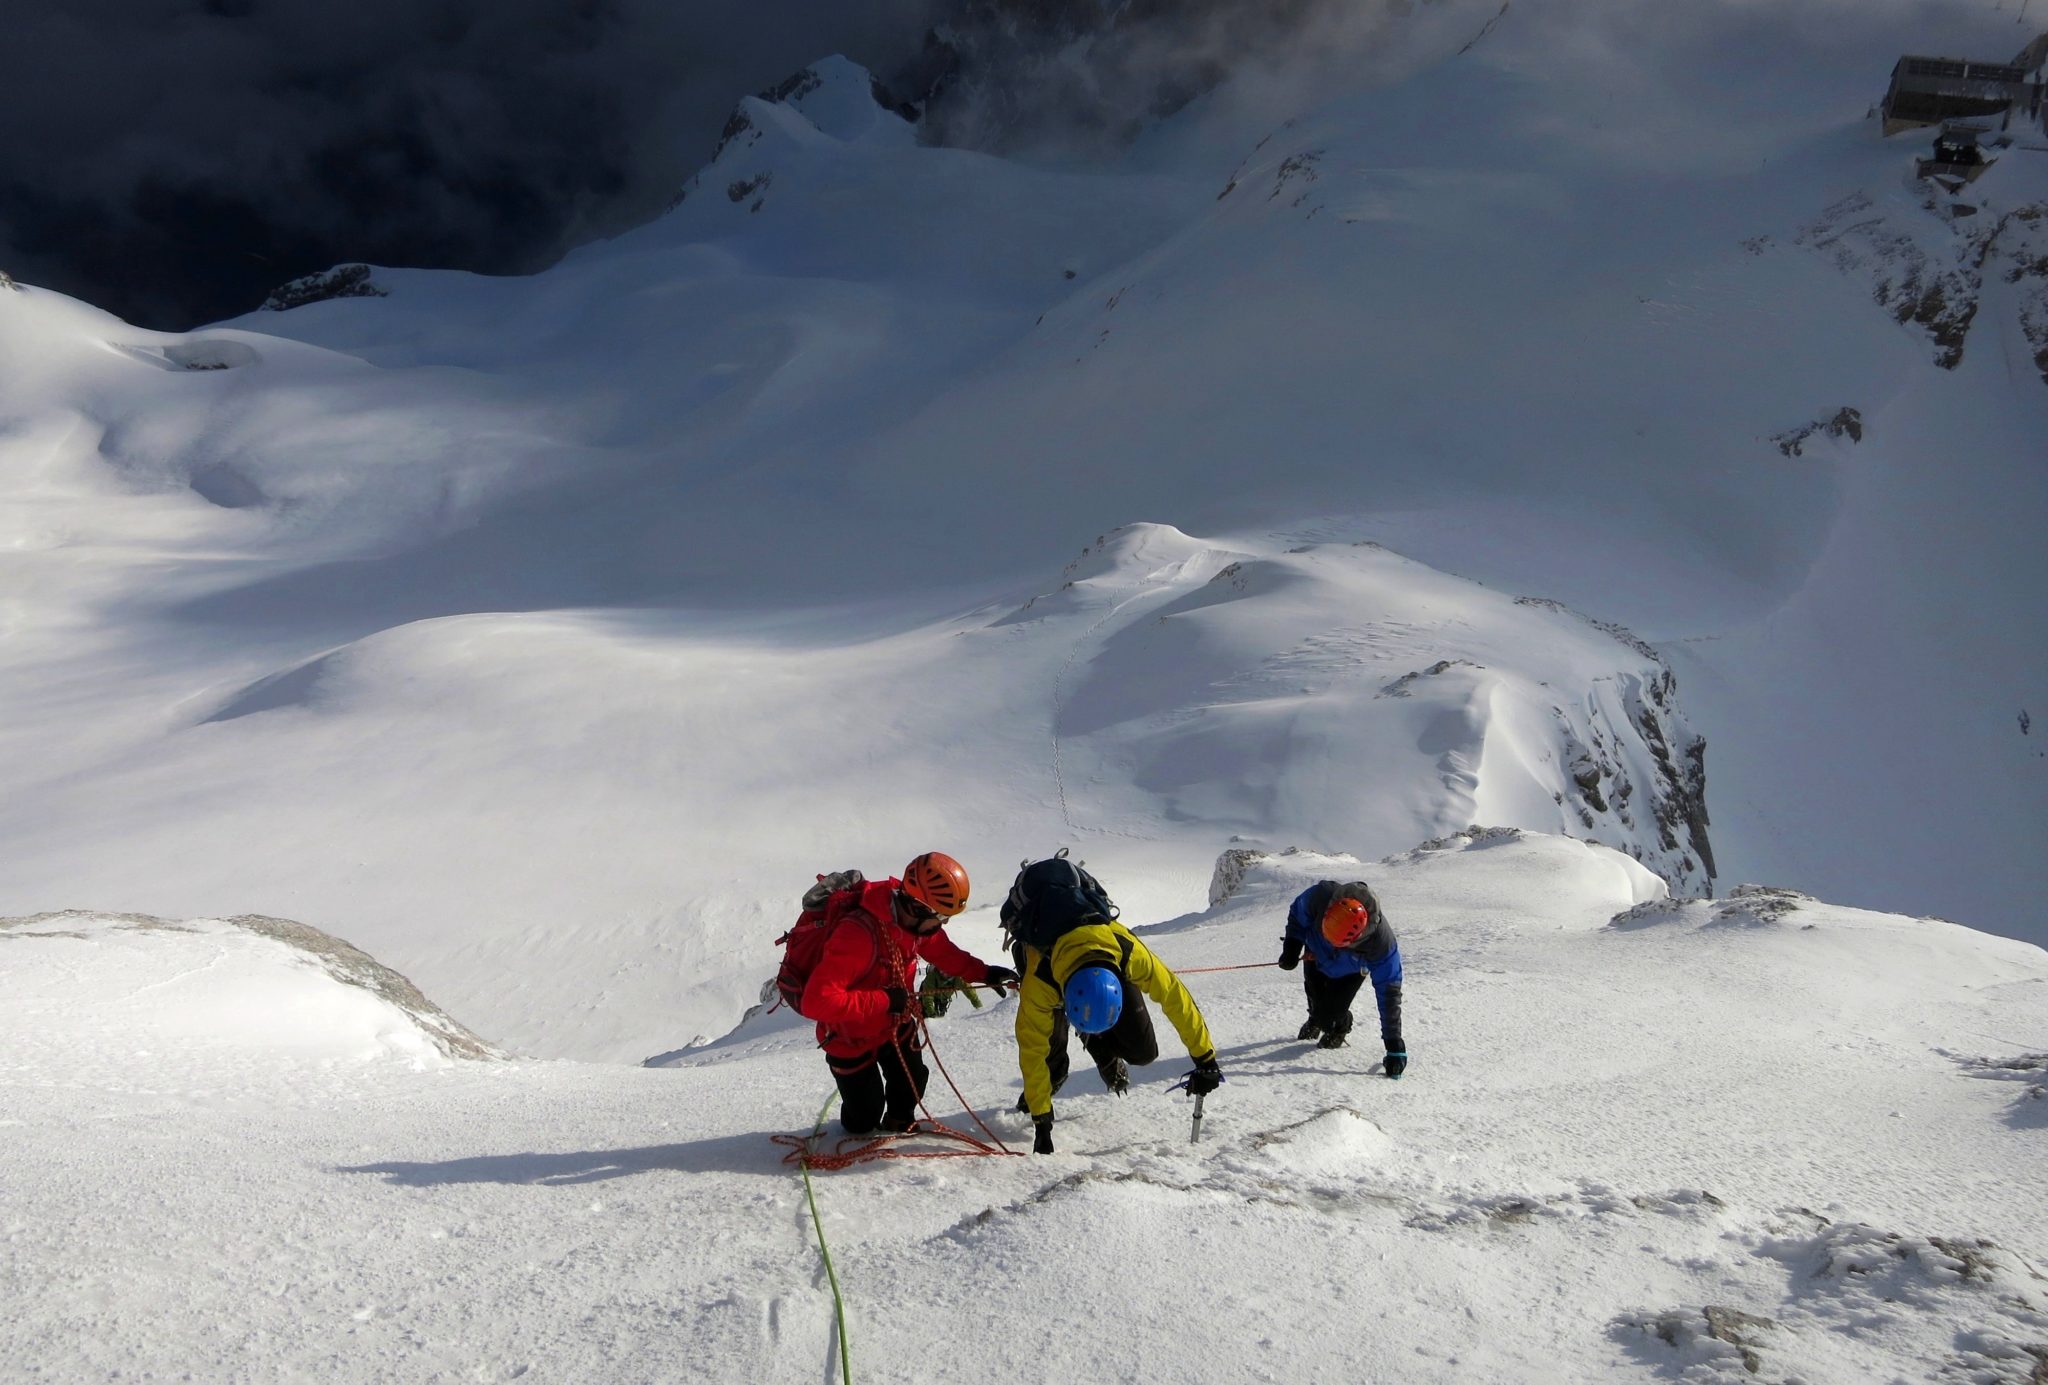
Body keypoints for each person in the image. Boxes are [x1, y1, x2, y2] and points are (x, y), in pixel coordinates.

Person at [802, 852, 1018, 1136]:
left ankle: (898, 1127)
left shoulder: (914, 926)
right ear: (917, 907)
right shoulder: (856, 935)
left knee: (912, 1082)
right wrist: (887, 999)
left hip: (894, 1024)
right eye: (941, 917)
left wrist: (984, 973)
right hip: (849, 1037)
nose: (943, 925)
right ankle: (862, 1130)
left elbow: (943, 952)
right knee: (862, 1119)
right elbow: (816, 1001)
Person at [1011, 907, 1223, 1154]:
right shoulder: (1039, 983)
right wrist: (1042, 1123)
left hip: (1104, 963)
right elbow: (1032, 1050)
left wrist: (1205, 1057)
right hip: (1047, 957)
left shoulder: (1128, 952)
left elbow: (1175, 997)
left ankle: (1096, 1038)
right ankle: (1075, 1041)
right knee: (1051, 1068)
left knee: (1143, 1051)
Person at [1277, 880, 1406, 1077]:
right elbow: (1297, 914)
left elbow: (1389, 994)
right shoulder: (1321, 896)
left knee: (1328, 1016)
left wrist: (1394, 1045)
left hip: (1350, 972)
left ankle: (1339, 1025)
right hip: (1316, 953)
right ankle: (1315, 1018)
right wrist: (1292, 947)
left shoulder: (1380, 946)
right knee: (1313, 993)